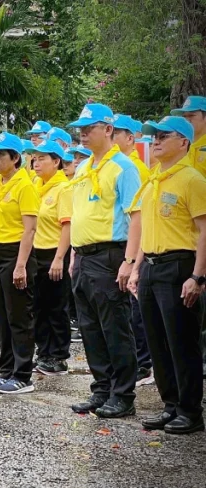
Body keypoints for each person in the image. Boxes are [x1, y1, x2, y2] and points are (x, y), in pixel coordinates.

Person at [129, 116, 206, 435]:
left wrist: (198, 276)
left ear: (183, 142)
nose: (156, 141)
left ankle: (190, 411)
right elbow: (147, 229)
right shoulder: (153, 180)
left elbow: (204, 231)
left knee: (181, 342)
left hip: (179, 265)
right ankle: (170, 405)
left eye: (164, 136)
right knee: (157, 342)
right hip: (151, 265)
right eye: (154, 136)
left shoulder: (192, 180)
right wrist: (136, 268)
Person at [67, 103, 141, 418]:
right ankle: (101, 389)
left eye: (90, 128)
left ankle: (123, 394)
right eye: (80, 129)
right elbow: (80, 213)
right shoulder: (84, 167)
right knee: (90, 328)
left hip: (110, 254)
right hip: (83, 256)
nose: (83, 134)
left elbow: (136, 216)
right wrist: (74, 255)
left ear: (108, 129)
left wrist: (130, 261)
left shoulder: (124, 167)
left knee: (115, 327)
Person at [0, 133, 39, 394]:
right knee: (0, 316)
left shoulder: (24, 186)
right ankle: (6, 370)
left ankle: (22, 374)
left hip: (14, 252)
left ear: (15, 158)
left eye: (0, 154)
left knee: (18, 316)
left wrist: (21, 265)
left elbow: (30, 229)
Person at [112, 114, 155, 385]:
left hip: (134, 246)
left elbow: (139, 216)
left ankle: (143, 364)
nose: (111, 137)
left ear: (130, 138)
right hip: (126, 245)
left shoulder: (134, 168)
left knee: (135, 310)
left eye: (116, 133)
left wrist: (133, 259)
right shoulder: (114, 165)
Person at [26, 140, 72, 376]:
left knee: (56, 307)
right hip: (36, 253)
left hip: (54, 252)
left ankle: (59, 356)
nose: (36, 163)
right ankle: (43, 352)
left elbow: (67, 226)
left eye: (42, 158)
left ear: (56, 162)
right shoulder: (35, 185)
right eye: (35, 158)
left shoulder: (63, 189)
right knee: (38, 307)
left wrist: (59, 258)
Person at [170, 96, 206, 377]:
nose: (187, 121)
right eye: (183, 117)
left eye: (191, 116)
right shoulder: (183, 149)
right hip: (186, 235)